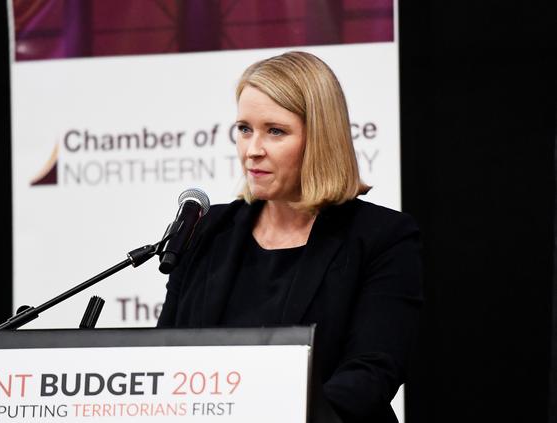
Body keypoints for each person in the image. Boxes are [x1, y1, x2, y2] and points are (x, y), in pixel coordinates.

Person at [157, 51, 423, 423]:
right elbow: (164, 359)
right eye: (245, 129)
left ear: (320, 138)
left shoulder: (383, 238)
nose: (253, 150)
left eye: (275, 131)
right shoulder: (207, 230)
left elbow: (372, 374)